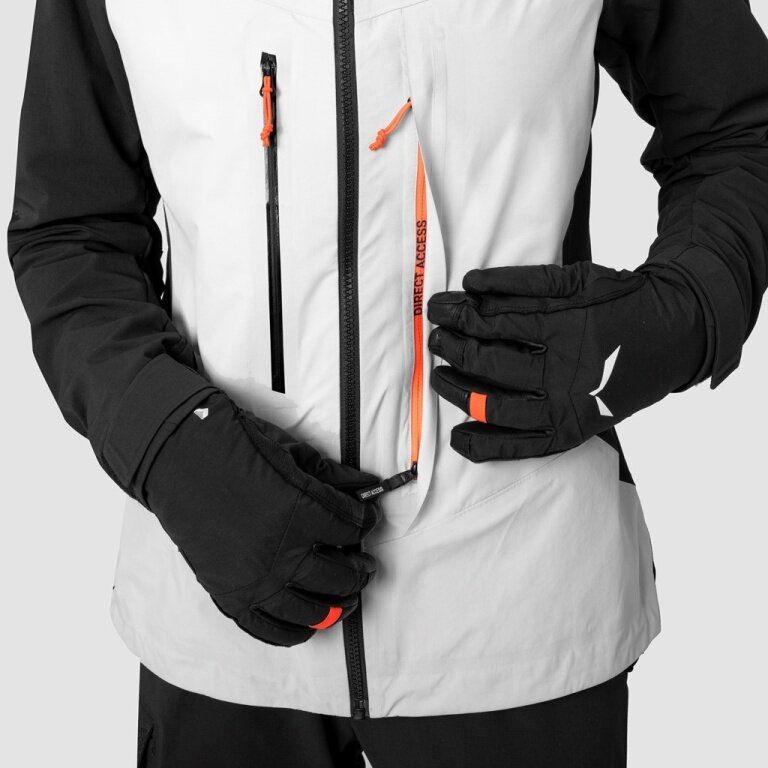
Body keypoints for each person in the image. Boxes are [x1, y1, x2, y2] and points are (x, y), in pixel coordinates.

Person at [8, 0, 768, 766]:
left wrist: (679, 313)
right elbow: (72, 229)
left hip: (523, 613)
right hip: (220, 609)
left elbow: (739, 126)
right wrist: (168, 443)